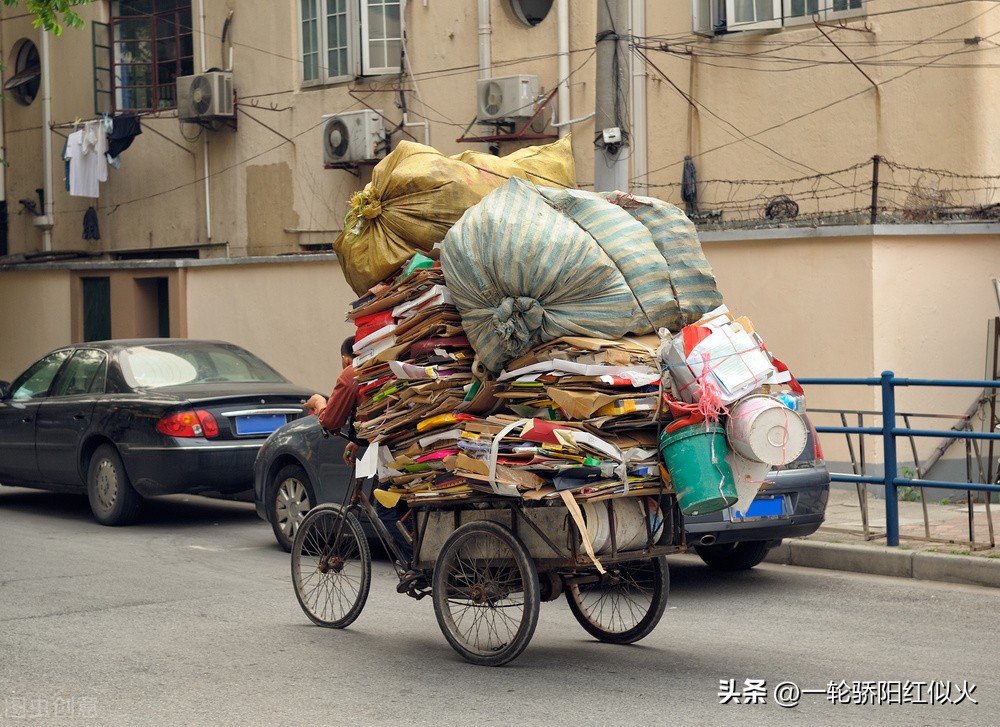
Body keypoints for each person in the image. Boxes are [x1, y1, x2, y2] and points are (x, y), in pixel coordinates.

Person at [305, 337, 417, 585]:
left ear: (347, 358)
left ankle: (415, 564)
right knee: (405, 503)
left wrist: (319, 402)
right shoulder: (391, 363)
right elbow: (381, 409)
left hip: (395, 452)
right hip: (412, 444)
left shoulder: (353, 372)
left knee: (385, 508)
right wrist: (357, 440)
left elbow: (330, 421)